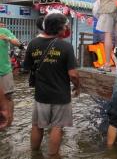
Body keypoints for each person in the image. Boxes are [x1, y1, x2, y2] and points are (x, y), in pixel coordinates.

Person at [23, 13, 80, 157]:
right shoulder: (66, 47)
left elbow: (27, 68)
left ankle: (34, 154)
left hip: (41, 94)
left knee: (37, 126)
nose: (66, 28)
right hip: (61, 95)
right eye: (65, 25)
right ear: (60, 28)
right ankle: (53, 156)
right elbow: (73, 74)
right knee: (57, 127)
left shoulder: (33, 43)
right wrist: (77, 86)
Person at [0, 22, 23, 127]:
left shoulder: (4, 31)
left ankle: (9, 122)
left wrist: (7, 38)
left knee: (8, 96)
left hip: (4, 71)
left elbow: (18, 44)